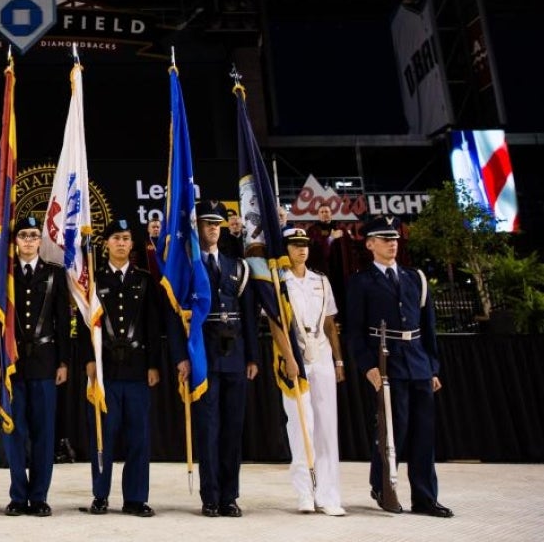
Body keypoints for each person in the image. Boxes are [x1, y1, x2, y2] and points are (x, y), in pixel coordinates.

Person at [346, 216, 453, 518]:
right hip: (387, 362)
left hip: (417, 361)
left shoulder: (414, 277)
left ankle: (425, 497)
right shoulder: (361, 281)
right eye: (383, 239)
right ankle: (382, 486)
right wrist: (367, 366)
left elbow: (429, 328)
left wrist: (432, 367)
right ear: (370, 244)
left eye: (393, 238)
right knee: (393, 430)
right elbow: (354, 330)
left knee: (424, 433)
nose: (391, 243)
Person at [0, 216, 70, 517]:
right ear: (15, 240)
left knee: (44, 433)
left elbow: (63, 322)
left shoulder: (54, 274)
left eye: (34, 236)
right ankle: (18, 495)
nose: (29, 241)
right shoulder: (3, 276)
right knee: (15, 430)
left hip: (45, 361)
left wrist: (63, 360)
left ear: (40, 241)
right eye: (24, 235)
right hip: (13, 363)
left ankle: (40, 496)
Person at [179, 199, 258, 518]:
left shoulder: (237, 265)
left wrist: (252, 355)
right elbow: (177, 315)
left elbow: (249, 315)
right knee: (208, 427)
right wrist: (180, 357)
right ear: (197, 228)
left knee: (232, 428)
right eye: (207, 223)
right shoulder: (187, 266)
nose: (212, 228)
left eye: (216, 224)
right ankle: (210, 496)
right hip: (203, 353)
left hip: (235, 354)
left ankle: (230, 495)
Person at [78, 219, 162, 518]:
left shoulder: (144, 280)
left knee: (139, 437)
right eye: (116, 238)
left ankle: (136, 498)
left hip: (138, 369)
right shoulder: (94, 281)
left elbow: (153, 327)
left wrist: (153, 364)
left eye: (126, 239)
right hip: (105, 370)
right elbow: (84, 325)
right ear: (106, 244)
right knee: (104, 436)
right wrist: (88, 359)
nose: (122, 243)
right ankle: (101, 495)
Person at [270, 227, 346, 516]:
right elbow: (277, 325)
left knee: (327, 427)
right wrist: (289, 358)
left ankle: (329, 494)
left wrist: (339, 361)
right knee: (301, 426)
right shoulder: (279, 282)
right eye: (295, 244)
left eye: (305, 245)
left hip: (322, 354)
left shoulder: (321, 281)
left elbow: (330, 323)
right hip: (296, 356)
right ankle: (305, 492)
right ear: (286, 248)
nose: (301, 249)